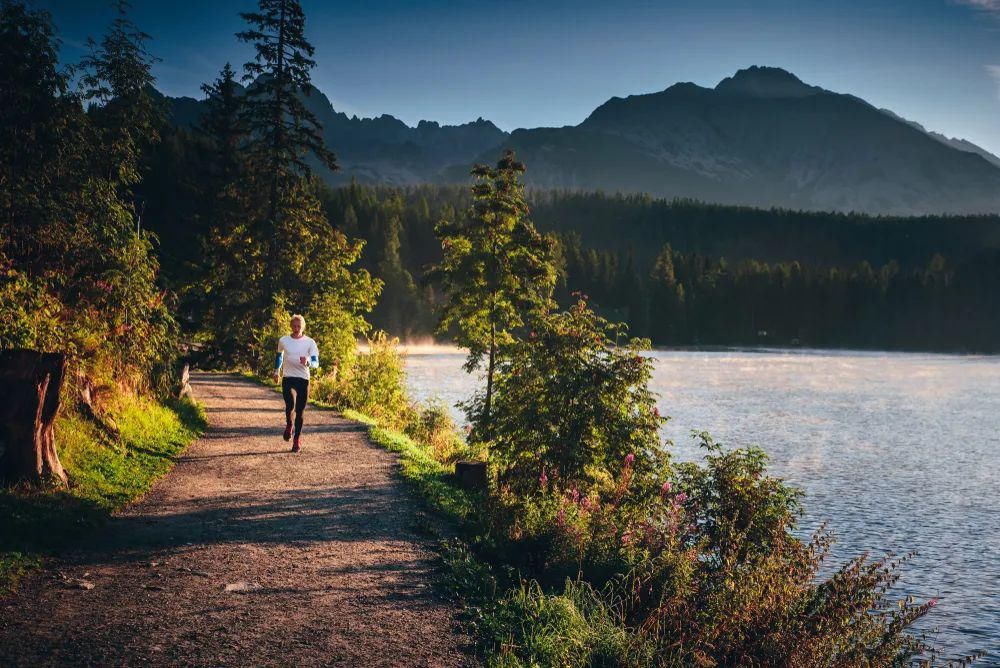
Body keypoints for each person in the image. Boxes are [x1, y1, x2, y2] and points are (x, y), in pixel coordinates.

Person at [272, 314, 319, 452]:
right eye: (294, 326)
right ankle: (289, 424)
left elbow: (316, 363)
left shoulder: (310, 342)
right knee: (290, 405)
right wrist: (276, 371)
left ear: (303, 327)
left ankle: (297, 440)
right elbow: (279, 356)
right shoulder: (284, 340)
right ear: (291, 326)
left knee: (300, 411)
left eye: (299, 326)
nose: (297, 328)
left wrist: (308, 362)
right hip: (288, 378)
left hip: (303, 380)